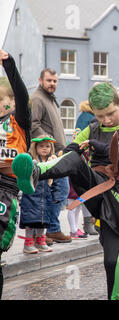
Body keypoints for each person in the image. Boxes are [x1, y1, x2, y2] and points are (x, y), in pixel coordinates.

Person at [12, 82, 119, 300]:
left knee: (111, 260)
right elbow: (73, 150)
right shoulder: (92, 128)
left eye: (110, 114)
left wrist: (101, 147)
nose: (106, 120)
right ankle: (36, 172)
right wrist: (58, 158)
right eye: (100, 116)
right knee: (72, 158)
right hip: (95, 186)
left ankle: (116, 297)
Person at [0, 49, 32, 298]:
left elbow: (22, 95)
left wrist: (8, 63)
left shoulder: (19, 121)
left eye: (2, 99)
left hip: (8, 189)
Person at [31, 68, 70, 243]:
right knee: (57, 191)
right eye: (49, 80)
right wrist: (49, 143)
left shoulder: (50, 99)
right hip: (48, 156)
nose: (52, 84)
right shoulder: (38, 99)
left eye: (55, 81)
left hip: (57, 153)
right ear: (41, 81)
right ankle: (51, 230)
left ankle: (51, 229)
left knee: (60, 191)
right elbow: (33, 124)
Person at [20, 136, 70, 252]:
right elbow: (23, 178)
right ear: (35, 147)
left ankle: (40, 242)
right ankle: (28, 244)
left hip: (45, 197)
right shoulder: (31, 161)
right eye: (41, 146)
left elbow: (56, 181)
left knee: (42, 222)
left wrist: (56, 196)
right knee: (31, 221)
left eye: (47, 146)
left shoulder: (52, 162)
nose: (44, 149)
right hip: (31, 197)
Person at [74, 100, 98, 236]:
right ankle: (88, 223)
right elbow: (79, 138)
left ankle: (92, 222)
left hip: (90, 156)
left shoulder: (86, 116)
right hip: (86, 156)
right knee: (88, 191)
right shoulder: (87, 117)